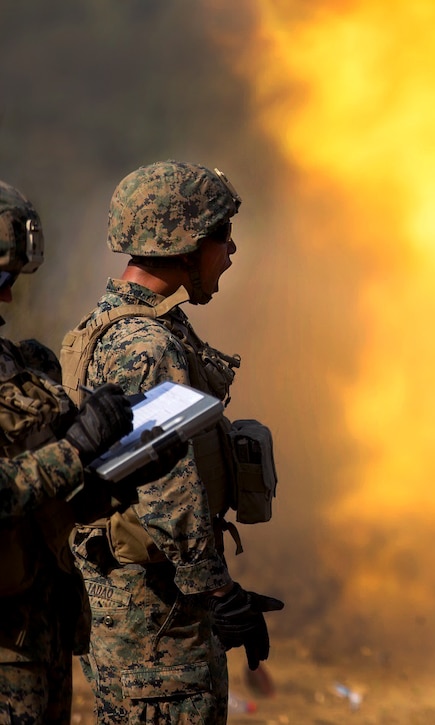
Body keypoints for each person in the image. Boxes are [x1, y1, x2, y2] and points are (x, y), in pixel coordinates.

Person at [60, 160, 284, 724]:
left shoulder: (122, 325)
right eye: (221, 236)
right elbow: (167, 486)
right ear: (184, 244)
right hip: (155, 619)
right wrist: (218, 593)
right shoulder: (147, 346)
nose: (230, 252)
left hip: (144, 603)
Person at [0, 179, 138, 724]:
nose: (8, 295)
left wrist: (110, 472)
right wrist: (76, 449)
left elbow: (44, 501)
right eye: (3, 277)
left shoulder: (20, 365)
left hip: (39, 632)